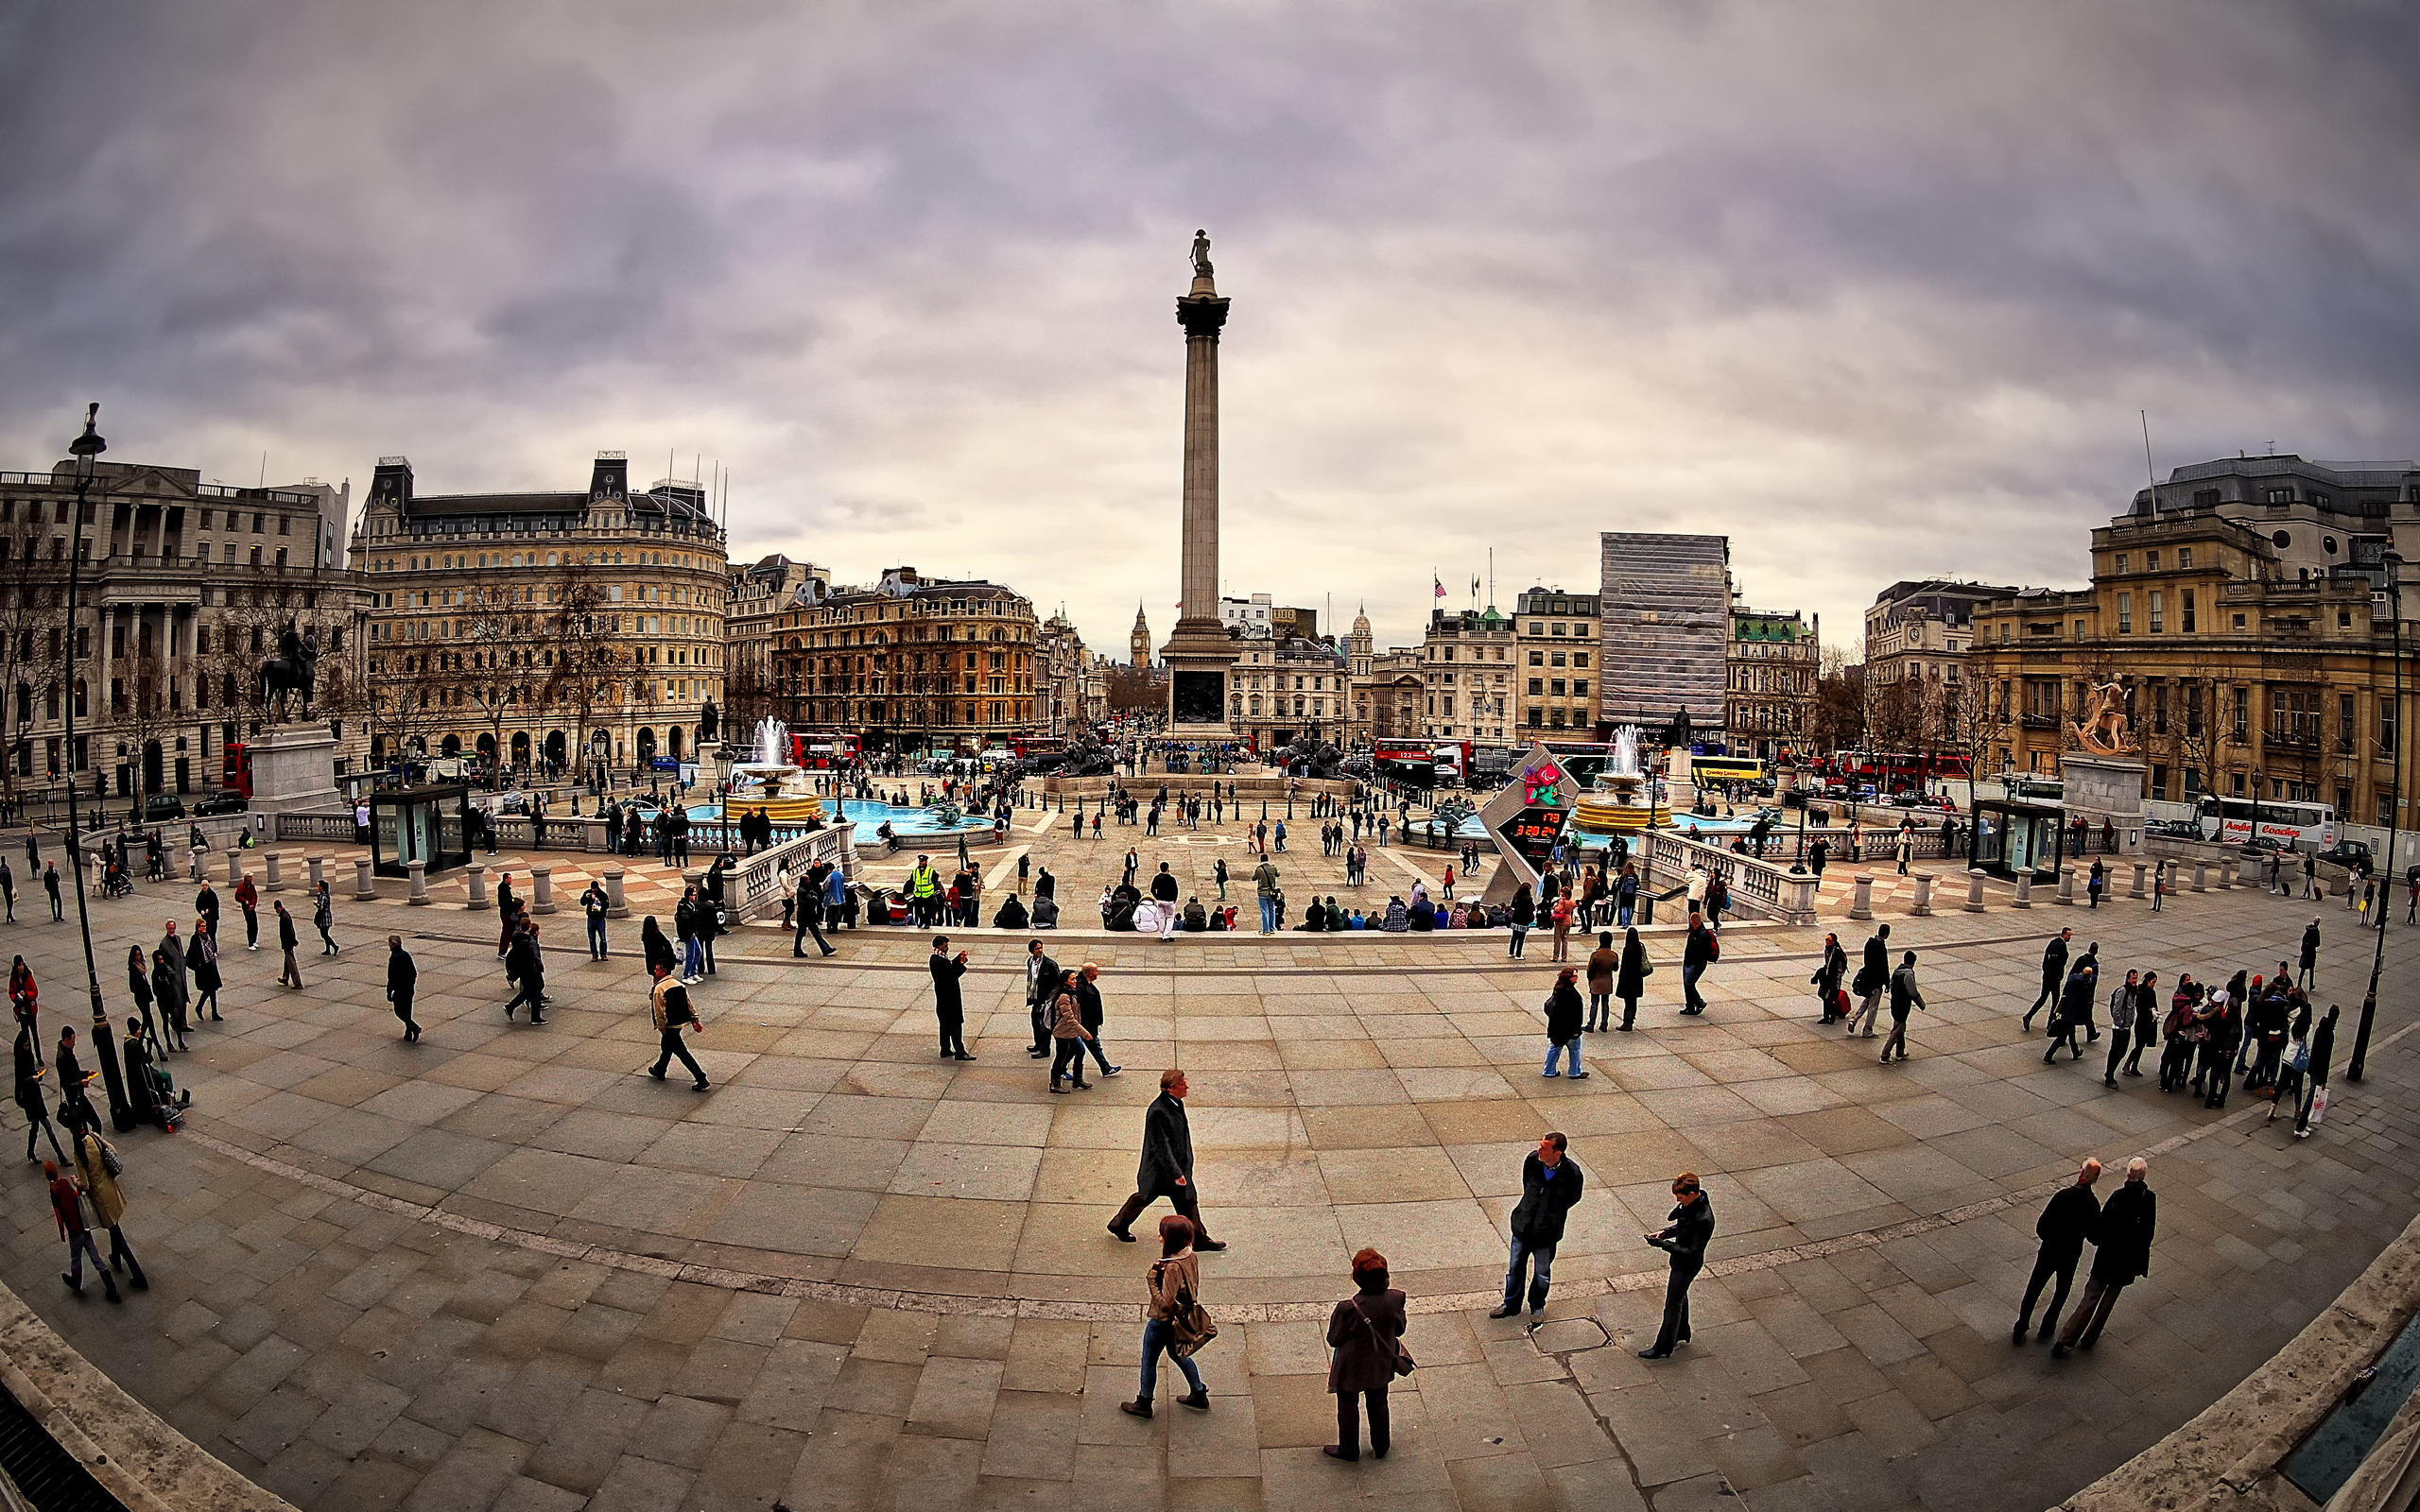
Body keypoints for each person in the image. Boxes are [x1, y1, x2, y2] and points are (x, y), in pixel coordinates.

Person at [1108, 1069, 1224, 1249]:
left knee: (1188, 1201)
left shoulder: (1176, 1103)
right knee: (1143, 1197)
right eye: (1182, 1084)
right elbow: (1160, 1146)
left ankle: (1199, 1239)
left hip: (1176, 1167)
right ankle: (1119, 1224)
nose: (1187, 1087)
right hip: (1160, 1171)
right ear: (1170, 1088)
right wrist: (1176, 1173)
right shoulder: (1158, 1111)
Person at [2054, 1157, 2156, 1355]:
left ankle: (2065, 1339)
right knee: (2107, 1303)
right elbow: (2148, 1233)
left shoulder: (2118, 1196)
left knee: (2090, 1298)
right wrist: (2137, 1258)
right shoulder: (2149, 1199)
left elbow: (2102, 1225)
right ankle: (2090, 1338)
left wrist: (2097, 1239)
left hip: (2107, 1258)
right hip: (2127, 1263)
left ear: (2128, 1174)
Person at [1120, 1214, 1211, 1419]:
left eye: (1162, 1234)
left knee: (1149, 1360)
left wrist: (1152, 1279)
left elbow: (1166, 1304)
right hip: (1182, 1318)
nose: (1159, 1237)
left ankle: (1144, 1403)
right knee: (1179, 1354)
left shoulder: (1171, 1267)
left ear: (1170, 1239)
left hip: (1163, 1322)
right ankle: (1198, 1393)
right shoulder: (1191, 1255)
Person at [1492, 1132, 1583, 1326]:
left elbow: (1573, 1197)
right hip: (1523, 1227)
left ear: (1557, 1153)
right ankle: (1511, 1304)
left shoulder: (1571, 1173)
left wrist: (1552, 1214)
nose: (1538, 1150)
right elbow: (1528, 1184)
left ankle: (1537, 1306)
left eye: (1544, 1147)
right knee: (1515, 1268)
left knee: (1542, 1272)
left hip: (1546, 1234)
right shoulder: (1533, 1161)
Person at [1324, 1247, 1407, 1463]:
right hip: (1381, 1362)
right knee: (1379, 1402)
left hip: (1351, 1366)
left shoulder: (1347, 1308)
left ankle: (1349, 1450)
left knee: (1348, 1405)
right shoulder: (1397, 1298)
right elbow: (1399, 1329)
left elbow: (1334, 1338)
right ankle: (1381, 1446)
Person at [2014, 1160, 2100, 1344]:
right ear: (2095, 1179)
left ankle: (2022, 1325)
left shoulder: (2063, 1196)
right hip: (2071, 1254)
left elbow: (2042, 1226)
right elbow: (2094, 1237)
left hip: (2050, 1250)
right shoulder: (2093, 1204)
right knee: (2062, 1290)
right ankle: (2048, 1325)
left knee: (2034, 1288)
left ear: (2080, 1173)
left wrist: (2048, 1239)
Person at [1639, 1172, 1714, 1358]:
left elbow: (1692, 1252)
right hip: (1681, 1262)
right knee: (1680, 1297)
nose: (1678, 1201)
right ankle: (1682, 1331)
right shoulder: (1692, 1207)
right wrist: (1665, 1233)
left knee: (1672, 1305)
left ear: (1692, 1194)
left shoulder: (1704, 1219)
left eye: (1680, 1197)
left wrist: (1663, 1244)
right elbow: (1682, 1227)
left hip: (1687, 1265)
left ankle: (1663, 1346)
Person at [73, 1124, 146, 1291]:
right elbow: (113, 1151)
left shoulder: (78, 1152)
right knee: (115, 1227)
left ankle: (139, 1276)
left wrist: (75, 1181)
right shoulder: (93, 1137)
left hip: (100, 1196)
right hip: (110, 1187)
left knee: (117, 1233)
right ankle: (116, 1258)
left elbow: (84, 1184)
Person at [48, 1159, 118, 1303]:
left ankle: (76, 1282)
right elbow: (75, 1197)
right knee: (95, 1256)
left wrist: (62, 1232)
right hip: (83, 1226)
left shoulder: (54, 1191)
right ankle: (112, 1288)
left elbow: (59, 1214)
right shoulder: (64, 1184)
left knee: (75, 1259)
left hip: (74, 1232)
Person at [647, 963, 710, 1091]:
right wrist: (694, 1019)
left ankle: (701, 1078)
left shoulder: (659, 988)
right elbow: (688, 1003)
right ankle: (660, 1069)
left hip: (669, 1025)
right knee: (667, 1047)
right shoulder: (679, 984)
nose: (655, 971)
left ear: (663, 972)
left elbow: (659, 1011)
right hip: (679, 1023)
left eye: (657, 969)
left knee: (682, 1052)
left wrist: (661, 1027)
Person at [16, 1029, 63, 1164]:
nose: (28, 1047)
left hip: (36, 1096)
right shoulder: (19, 1061)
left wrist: (37, 1074)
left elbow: (31, 1073)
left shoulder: (29, 1056)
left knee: (35, 1127)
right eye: (25, 1045)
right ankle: (60, 1155)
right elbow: (20, 1082)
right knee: (47, 1127)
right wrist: (32, 1078)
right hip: (30, 1100)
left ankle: (30, 1151)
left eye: (28, 1045)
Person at [1046, 970, 1094, 1092]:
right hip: (1062, 1033)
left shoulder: (1071, 993)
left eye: (1075, 979)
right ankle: (1055, 1084)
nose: (1075, 981)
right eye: (1072, 979)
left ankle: (1077, 1080)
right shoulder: (1064, 997)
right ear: (1065, 981)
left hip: (1071, 1032)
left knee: (1080, 1051)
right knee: (1061, 1057)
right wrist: (1084, 1033)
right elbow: (1069, 1019)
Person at [2297, 1005, 2339, 1138]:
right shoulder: (2329, 1034)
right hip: (2319, 1070)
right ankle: (2300, 1127)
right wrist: (2324, 1079)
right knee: (2311, 1097)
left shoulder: (2320, 1028)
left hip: (2313, 1066)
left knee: (2311, 1094)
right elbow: (2326, 1058)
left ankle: (2303, 1123)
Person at [1076, 962, 1121, 1078]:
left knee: (1093, 1047)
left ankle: (1105, 1068)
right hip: (1085, 1026)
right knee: (1075, 1050)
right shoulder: (1082, 988)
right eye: (1096, 971)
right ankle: (1061, 1070)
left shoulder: (1086, 985)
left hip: (1087, 1025)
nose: (1098, 973)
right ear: (1090, 973)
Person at [930, 936, 973, 1060]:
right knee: (955, 1024)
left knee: (944, 1025)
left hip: (943, 999)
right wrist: (962, 965)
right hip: (949, 999)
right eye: (945, 945)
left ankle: (945, 1049)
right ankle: (960, 1051)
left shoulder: (938, 958)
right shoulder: (938, 961)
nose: (947, 948)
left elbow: (949, 967)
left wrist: (959, 959)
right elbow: (951, 975)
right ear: (939, 946)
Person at [1881, 950, 1926, 1064]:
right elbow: (1912, 992)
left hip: (1895, 1003)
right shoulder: (1908, 974)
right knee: (1897, 1030)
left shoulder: (1897, 971)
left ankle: (1900, 1052)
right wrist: (1921, 1004)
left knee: (1901, 1027)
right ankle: (1885, 1055)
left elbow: (1891, 984)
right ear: (1913, 962)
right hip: (1902, 1006)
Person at [1846, 924, 1891, 1038]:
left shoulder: (1869, 943)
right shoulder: (1881, 949)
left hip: (1867, 979)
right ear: (1886, 935)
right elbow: (1884, 967)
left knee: (1867, 1002)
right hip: (1876, 982)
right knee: (1873, 1007)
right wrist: (1887, 983)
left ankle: (1854, 1020)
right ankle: (1867, 1029)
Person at [2024, 929, 2072, 1031]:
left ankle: (2029, 1016)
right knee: (2055, 1000)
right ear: (2063, 934)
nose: (2070, 937)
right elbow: (2060, 962)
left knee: (2043, 998)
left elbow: (2046, 959)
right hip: (2054, 978)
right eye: (2068, 935)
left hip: (2047, 976)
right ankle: (2050, 1022)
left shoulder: (2053, 943)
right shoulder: (2061, 946)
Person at [2101, 971, 2140, 1088]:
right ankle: (2109, 1076)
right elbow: (2116, 1010)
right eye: (2133, 978)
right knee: (2116, 1052)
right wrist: (2121, 1024)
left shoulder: (2133, 992)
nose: (2135, 980)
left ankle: (2109, 1073)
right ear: (2128, 978)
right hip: (2120, 1029)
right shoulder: (2123, 991)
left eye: (2136, 978)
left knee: (2122, 1052)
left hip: (2126, 1027)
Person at [1614, 927, 1652, 1031]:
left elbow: (1625, 967)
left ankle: (1627, 1023)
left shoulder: (1628, 950)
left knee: (1628, 1002)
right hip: (1637, 978)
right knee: (1633, 1001)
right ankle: (1631, 1020)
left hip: (1628, 979)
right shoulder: (1640, 947)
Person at [1680, 915, 1715, 1015]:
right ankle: (1690, 1006)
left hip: (1695, 964)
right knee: (1687, 985)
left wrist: (1698, 964)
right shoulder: (1694, 932)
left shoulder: (1702, 935)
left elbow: (1703, 952)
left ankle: (1699, 1002)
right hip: (1688, 962)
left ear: (1693, 921)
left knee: (1689, 984)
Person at [190, 918, 221, 1022]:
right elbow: (189, 956)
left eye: (205, 926)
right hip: (203, 968)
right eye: (202, 926)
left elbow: (211, 949)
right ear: (198, 928)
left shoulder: (207, 937)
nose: (204, 928)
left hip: (211, 965)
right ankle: (200, 1007)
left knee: (213, 990)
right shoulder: (195, 939)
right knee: (209, 990)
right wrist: (197, 966)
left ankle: (214, 1012)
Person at [1583, 932, 1616, 1033]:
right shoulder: (1613, 955)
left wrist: (1590, 979)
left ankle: (1591, 1024)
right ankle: (1604, 1024)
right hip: (1607, 982)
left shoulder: (1596, 955)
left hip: (1596, 981)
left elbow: (1590, 969)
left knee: (1594, 1004)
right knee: (1605, 1004)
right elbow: (1615, 968)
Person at [274, 900, 303, 989]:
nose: (276, 911)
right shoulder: (285, 915)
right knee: (287, 961)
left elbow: (289, 932)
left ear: (279, 908)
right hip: (287, 942)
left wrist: (293, 941)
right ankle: (285, 978)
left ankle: (297, 983)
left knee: (291, 962)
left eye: (276, 909)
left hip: (287, 943)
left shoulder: (284, 918)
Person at [1253, 855, 1282, 936]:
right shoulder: (1273, 868)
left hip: (1262, 892)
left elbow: (1254, 878)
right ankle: (1272, 928)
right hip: (1271, 892)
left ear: (1260, 860)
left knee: (1264, 911)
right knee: (1272, 910)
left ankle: (1265, 930)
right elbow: (1278, 874)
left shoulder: (1259, 869)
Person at [582, 881, 611, 961]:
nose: (593, 890)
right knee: (592, 938)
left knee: (603, 938)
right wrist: (586, 897)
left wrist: (599, 902)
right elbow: (582, 903)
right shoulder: (588, 893)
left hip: (600, 919)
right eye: (592, 888)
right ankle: (594, 954)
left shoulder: (603, 895)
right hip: (591, 919)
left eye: (594, 888)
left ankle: (603, 954)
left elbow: (607, 906)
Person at [313, 879, 338, 955]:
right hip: (325, 917)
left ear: (321, 887)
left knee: (324, 934)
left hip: (325, 917)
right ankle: (328, 949)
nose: (317, 887)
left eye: (318, 886)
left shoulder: (324, 896)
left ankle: (335, 946)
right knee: (325, 934)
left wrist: (316, 904)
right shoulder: (322, 895)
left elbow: (321, 907)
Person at [1508, 883, 1533, 958]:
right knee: (1521, 938)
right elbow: (1532, 908)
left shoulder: (1516, 896)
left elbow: (1512, 906)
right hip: (1524, 918)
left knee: (1514, 937)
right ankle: (1518, 954)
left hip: (1516, 917)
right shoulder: (1528, 898)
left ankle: (1511, 952)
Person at [234, 872, 259, 949]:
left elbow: (255, 896)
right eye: (249, 879)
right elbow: (237, 896)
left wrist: (253, 904)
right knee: (250, 925)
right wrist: (245, 901)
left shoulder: (251, 886)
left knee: (255, 925)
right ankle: (250, 943)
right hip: (246, 908)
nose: (251, 881)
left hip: (252, 907)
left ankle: (254, 941)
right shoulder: (241, 887)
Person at [2299, 919, 2320, 990]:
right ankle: (2310, 985)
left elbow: (2303, 939)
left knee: (2302, 970)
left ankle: (2299, 984)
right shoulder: (2316, 932)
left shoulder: (2308, 930)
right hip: (2311, 954)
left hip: (2305, 953)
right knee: (2311, 969)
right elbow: (2318, 943)